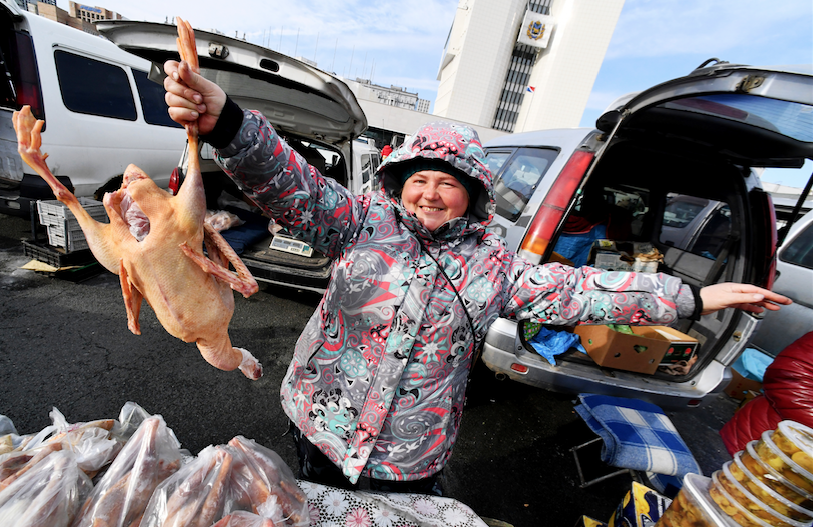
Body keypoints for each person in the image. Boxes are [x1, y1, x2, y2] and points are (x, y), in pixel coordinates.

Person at [163, 58, 791, 496]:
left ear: (473, 196)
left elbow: (580, 292)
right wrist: (230, 125)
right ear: (398, 184)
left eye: (449, 182)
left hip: (409, 452)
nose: (432, 193)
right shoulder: (356, 225)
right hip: (319, 420)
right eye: (419, 178)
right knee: (307, 509)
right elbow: (290, 180)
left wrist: (694, 296)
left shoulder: (495, 264)